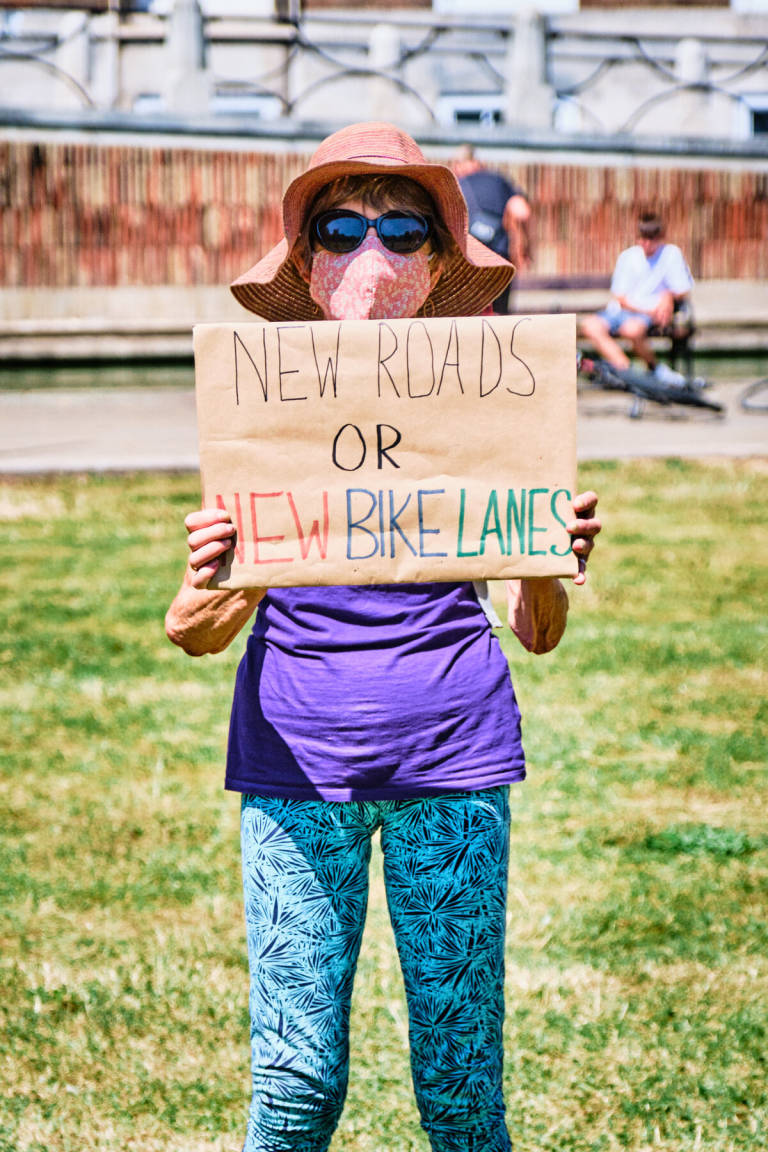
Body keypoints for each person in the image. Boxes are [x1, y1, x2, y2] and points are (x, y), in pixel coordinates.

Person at [165, 121, 601, 1152]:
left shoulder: (491, 410)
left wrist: (545, 552)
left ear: (440, 263)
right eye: (343, 229)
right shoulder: (264, 412)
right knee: (295, 1086)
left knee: (461, 1091)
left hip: (455, 764)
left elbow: (537, 633)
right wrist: (208, 581)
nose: (374, 255)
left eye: (405, 231)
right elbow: (193, 632)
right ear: (308, 264)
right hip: (293, 772)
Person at [579, 211, 693, 384]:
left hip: (646, 316)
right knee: (590, 326)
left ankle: (652, 368)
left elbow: (682, 289)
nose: (646, 244)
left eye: (651, 239)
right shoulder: (628, 257)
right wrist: (651, 307)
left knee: (631, 329)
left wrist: (667, 297)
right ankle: (625, 371)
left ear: (660, 237)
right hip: (625, 310)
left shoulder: (671, 254)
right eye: (643, 238)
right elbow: (620, 297)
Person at [454, 143, 533, 315]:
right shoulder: (498, 180)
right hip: (499, 257)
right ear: (479, 162)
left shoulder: (454, 185)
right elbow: (522, 211)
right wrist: (524, 246)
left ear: (457, 164)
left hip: (466, 259)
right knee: (499, 315)